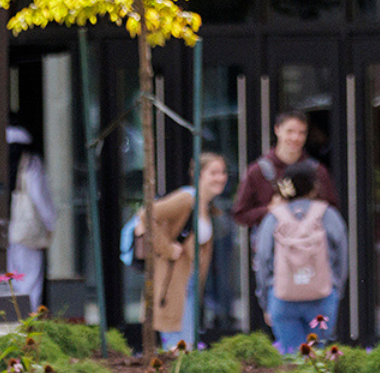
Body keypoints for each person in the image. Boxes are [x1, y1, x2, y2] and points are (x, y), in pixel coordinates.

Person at [253, 160, 346, 353]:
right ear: (315, 186)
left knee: (291, 357)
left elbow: (262, 260)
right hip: (322, 296)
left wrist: (265, 299)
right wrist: (336, 288)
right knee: (317, 357)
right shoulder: (329, 215)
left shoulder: (273, 217)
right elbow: (342, 258)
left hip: (282, 296)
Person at [144, 153, 229, 350]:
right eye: (214, 172)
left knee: (186, 349)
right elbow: (147, 214)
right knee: (178, 350)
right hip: (173, 284)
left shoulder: (207, 206)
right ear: (198, 175)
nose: (221, 177)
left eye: (223, 172)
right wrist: (166, 248)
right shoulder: (186, 199)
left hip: (189, 286)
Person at [230, 111, 339, 228]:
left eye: (301, 133)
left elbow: (332, 210)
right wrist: (269, 210)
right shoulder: (258, 171)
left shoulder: (317, 170)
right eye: (290, 131)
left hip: (310, 242)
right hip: (274, 242)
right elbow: (240, 215)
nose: (295, 138)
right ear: (277, 130)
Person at [3, 126, 54, 312]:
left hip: (4, 234)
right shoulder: (31, 164)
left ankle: (15, 325)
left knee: (12, 284)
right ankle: (29, 329)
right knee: (31, 283)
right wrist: (50, 224)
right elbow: (41, 199)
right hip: (27, 234)